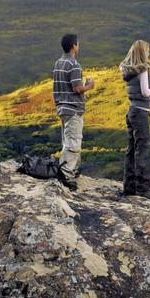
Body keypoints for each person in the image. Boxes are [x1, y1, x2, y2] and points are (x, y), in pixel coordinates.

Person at [119, 39, 150, 200]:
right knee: (142, 149)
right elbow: (146, 92)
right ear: (143, 52)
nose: (149, 53)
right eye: (147, 50)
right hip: (141, 112)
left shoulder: (129, 71)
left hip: (131, 110)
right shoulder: (143, 69)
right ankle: (143, 187)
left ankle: (129, 186)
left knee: (131, 150)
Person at [52, 33, 95, 191]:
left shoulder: (58, 63)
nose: (79, 47)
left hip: (62, 107)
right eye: (78, 44)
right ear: (73, 46)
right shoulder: (74, 64)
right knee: (74, 142)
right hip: (73, 108)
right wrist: (89, 85)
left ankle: (71, 170)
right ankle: (66, 175)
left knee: (67, 140)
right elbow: (77, 88)